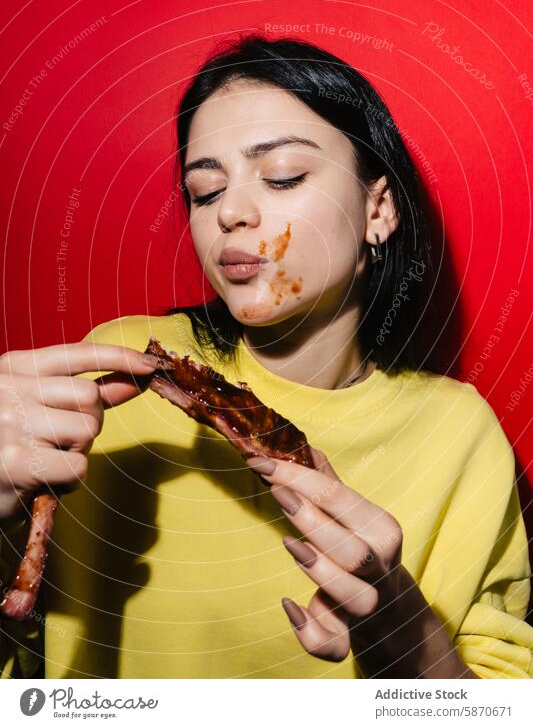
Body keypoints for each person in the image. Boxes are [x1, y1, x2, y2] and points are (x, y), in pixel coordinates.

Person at [1, 35, 532, 679]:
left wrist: (406, 634)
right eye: (203, 191)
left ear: (378, 207)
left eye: (282, 175)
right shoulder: (109, 371)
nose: (230, 211)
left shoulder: (460, 433)